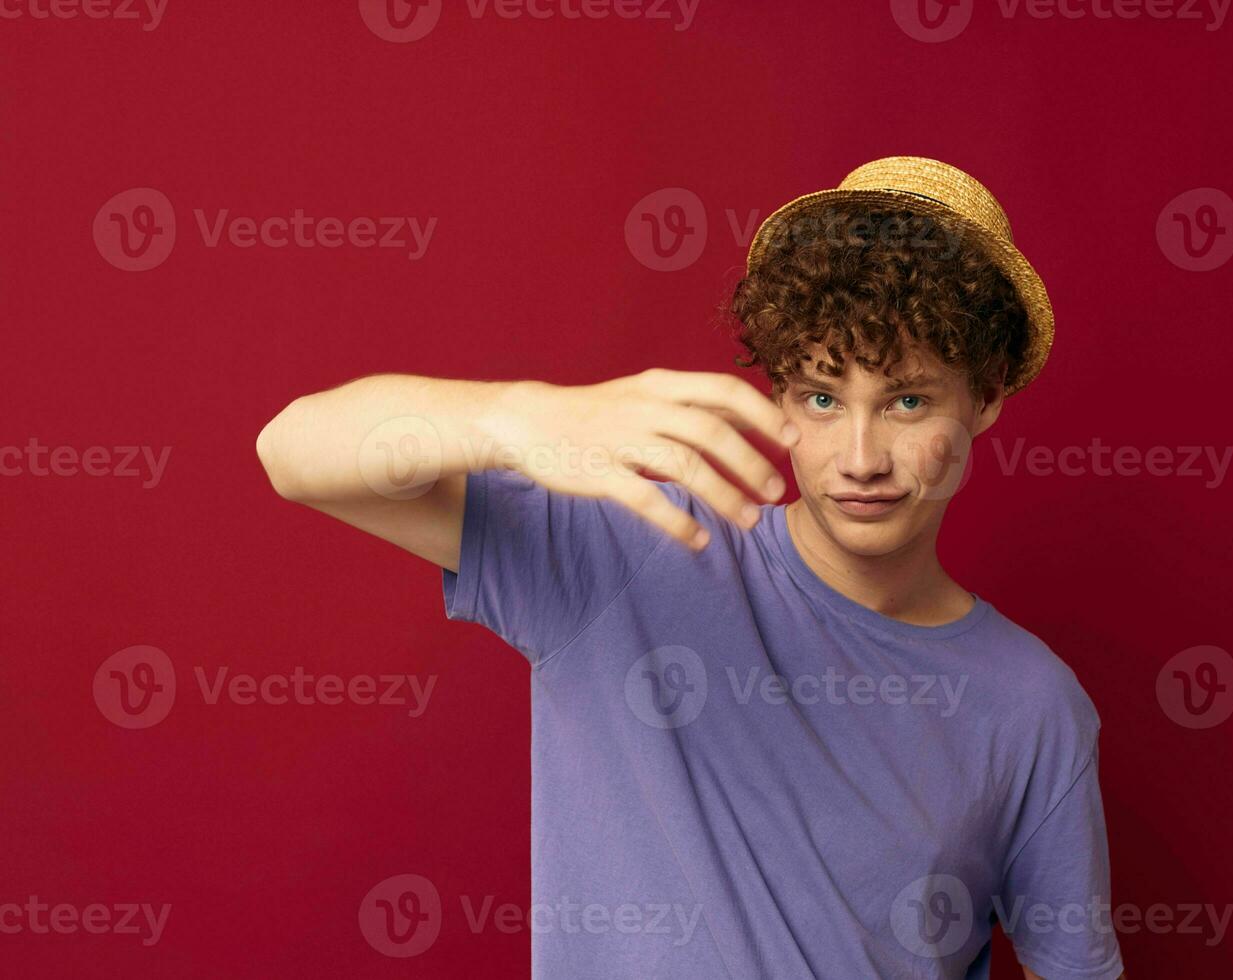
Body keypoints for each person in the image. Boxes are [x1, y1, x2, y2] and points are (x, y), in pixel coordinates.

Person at [255, 156, 1125, 979]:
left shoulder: (1032, 705)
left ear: (986, 398)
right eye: (822, 398)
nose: (861, 457)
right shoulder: (636, 546)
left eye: (907, 400)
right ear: (781, 394)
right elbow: (291, 451)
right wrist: (520, 416)